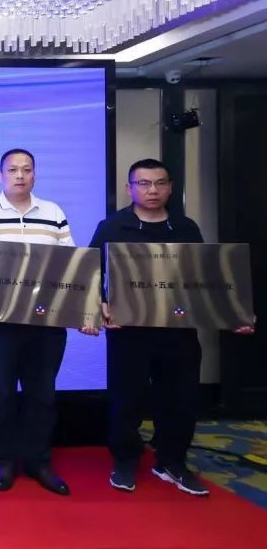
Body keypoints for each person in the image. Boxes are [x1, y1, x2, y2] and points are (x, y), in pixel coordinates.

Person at [90, 158, 256, 496]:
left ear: (169, 188)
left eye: (160, 183)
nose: (152, 190)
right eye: (144, 183)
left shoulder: (185, 227)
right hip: (128, 332)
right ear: (129, 189)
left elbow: (205, 279)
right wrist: (100, 304)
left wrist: (233, 314)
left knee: (180, 399)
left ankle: (171, 461)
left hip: (178, 332)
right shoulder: (112, 227)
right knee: (126, 400)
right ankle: (125, 461)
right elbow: (92, 273)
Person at [0, 148, 92, 496]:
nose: (19, 175)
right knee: (2, 392)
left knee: (42, 393)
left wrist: (80, 309)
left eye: (26, 169)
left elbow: (70, 263)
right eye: (12, 170)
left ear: (34, 174)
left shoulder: (53, 213)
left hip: (46, 321)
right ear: (0, 176)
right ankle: (5, 461)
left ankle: (39, 461)